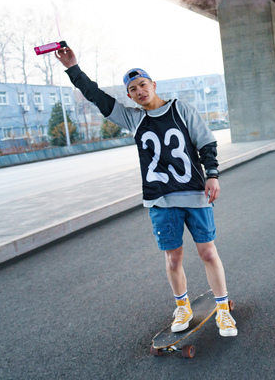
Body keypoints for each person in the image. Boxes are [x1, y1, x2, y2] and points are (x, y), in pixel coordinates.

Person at [55, 48, 237, 337]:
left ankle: (223, 310)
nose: (139, 91)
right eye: (132, 89)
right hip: (160, 199)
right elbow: (96, 96)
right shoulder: (134, 119)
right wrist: (73, 68)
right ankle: (182, 306)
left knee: (207, 252)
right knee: (173, 258)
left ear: (153, 85)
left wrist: (212, 174)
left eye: (142, 85)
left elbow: (206, 143)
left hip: (193, 193)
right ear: (129, 96)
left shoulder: (180, 109)